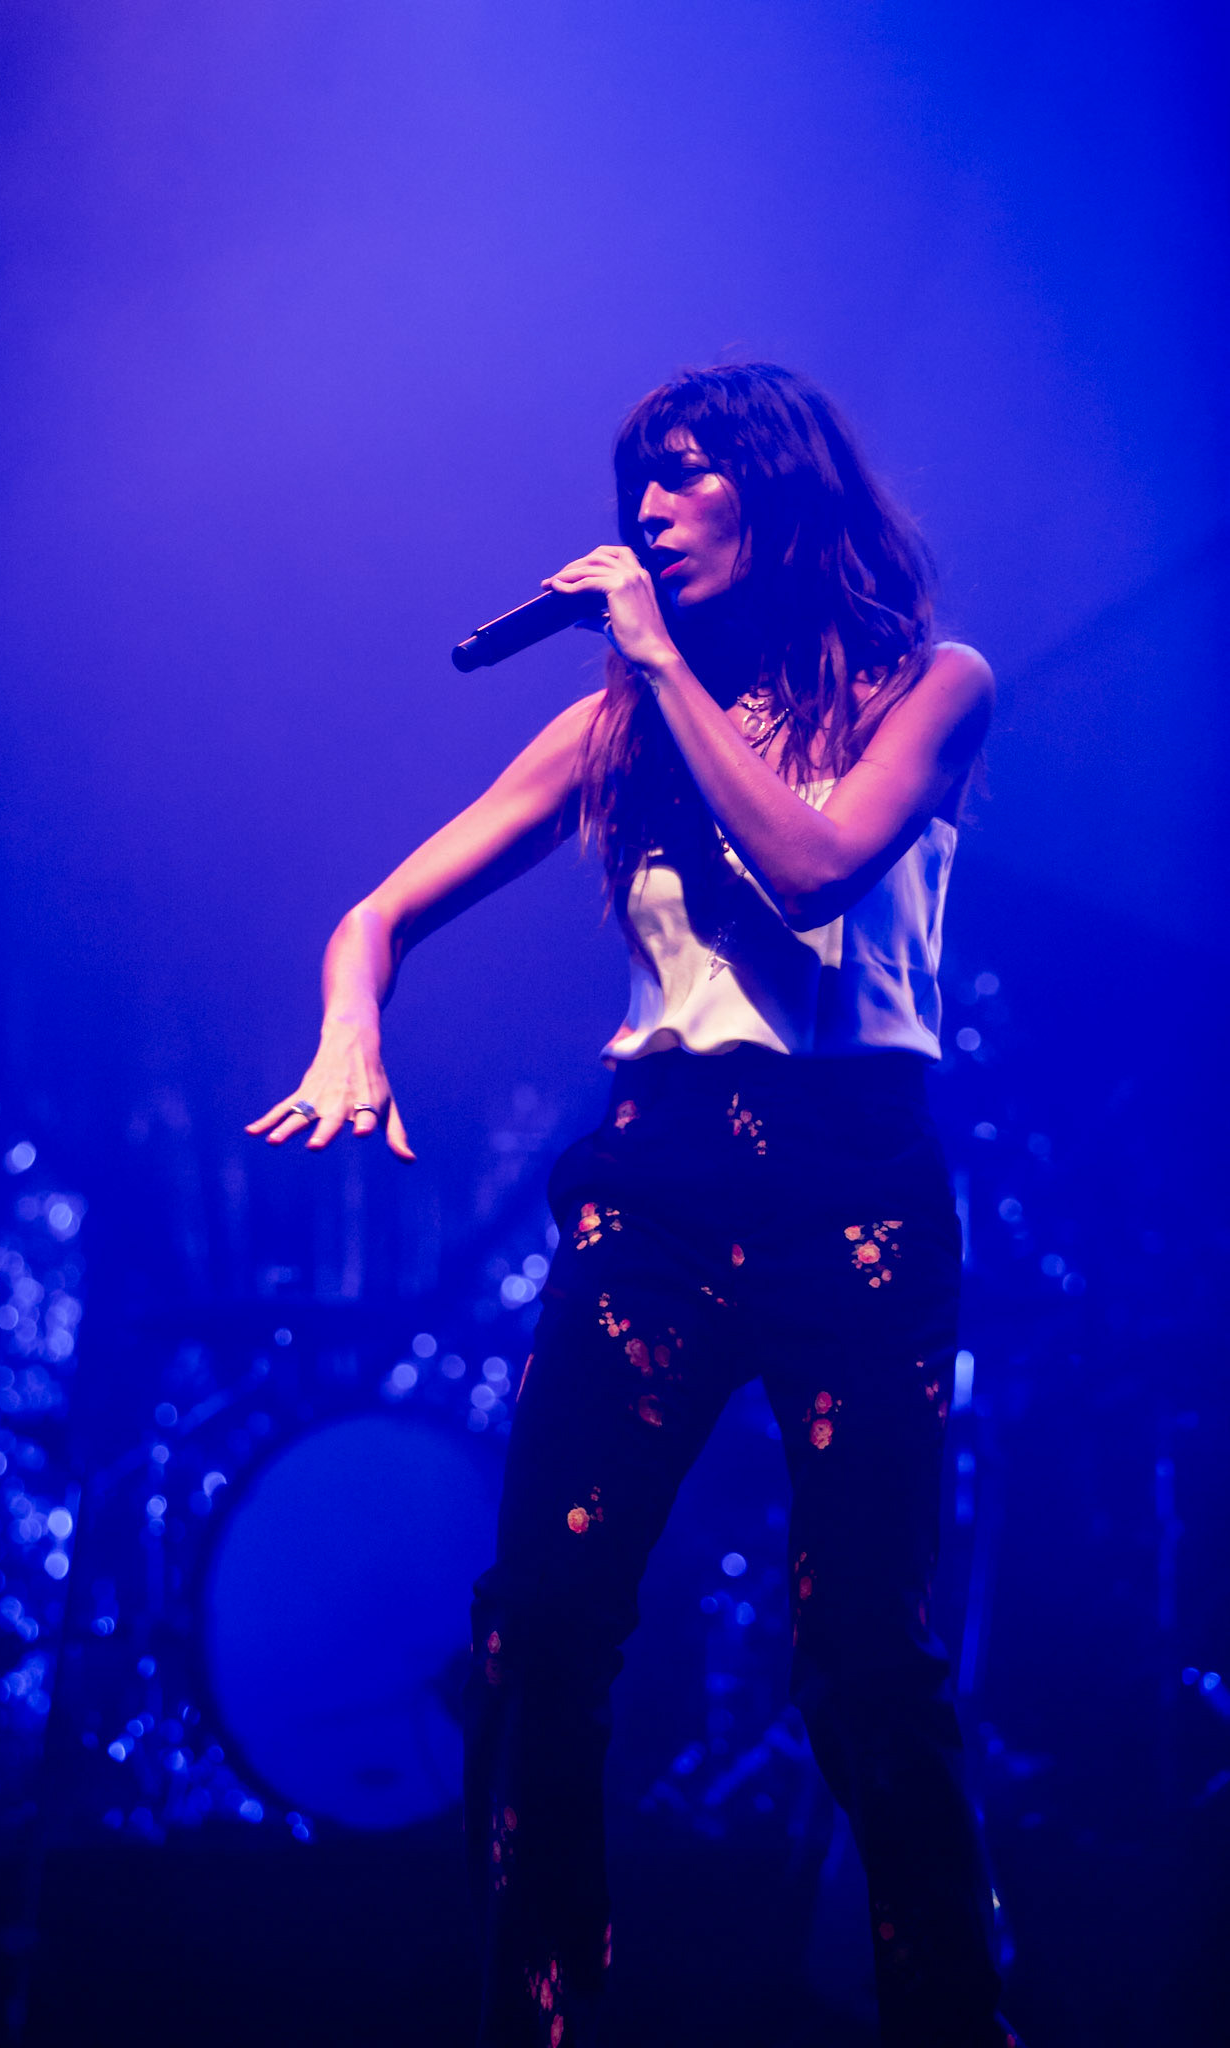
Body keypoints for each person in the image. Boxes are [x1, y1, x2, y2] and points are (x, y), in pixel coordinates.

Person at [247, 363, 1022, 2048]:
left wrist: (658, 667)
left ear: (774, 490)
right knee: (538, 1622)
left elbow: (817, 866)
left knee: (866, 1666)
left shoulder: (928, 687)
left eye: (680, 479)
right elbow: (374, 913)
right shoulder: (608, 727)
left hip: (854, 1185)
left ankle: (953, 2022)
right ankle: (536, 2009)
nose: (645, 515)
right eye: (635, 491)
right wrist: (351, 1022)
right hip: (654, 1184)